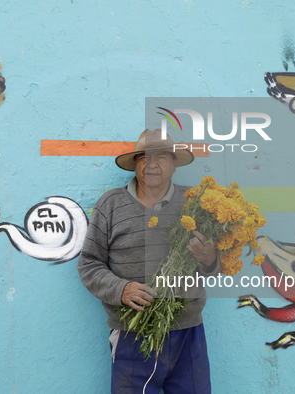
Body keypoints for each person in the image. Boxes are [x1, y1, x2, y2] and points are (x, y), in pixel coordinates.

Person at [77, 128, 220, 393]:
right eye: (143, 157)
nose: (151, 164)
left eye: (161, 157)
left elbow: (212, 268)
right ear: (135, 165)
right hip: (133, 334)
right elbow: (89, 264)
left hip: (188, 331)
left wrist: (210, 258)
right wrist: (122, 290)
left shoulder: (196, 204)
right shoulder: (111, 204)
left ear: (174, 164)